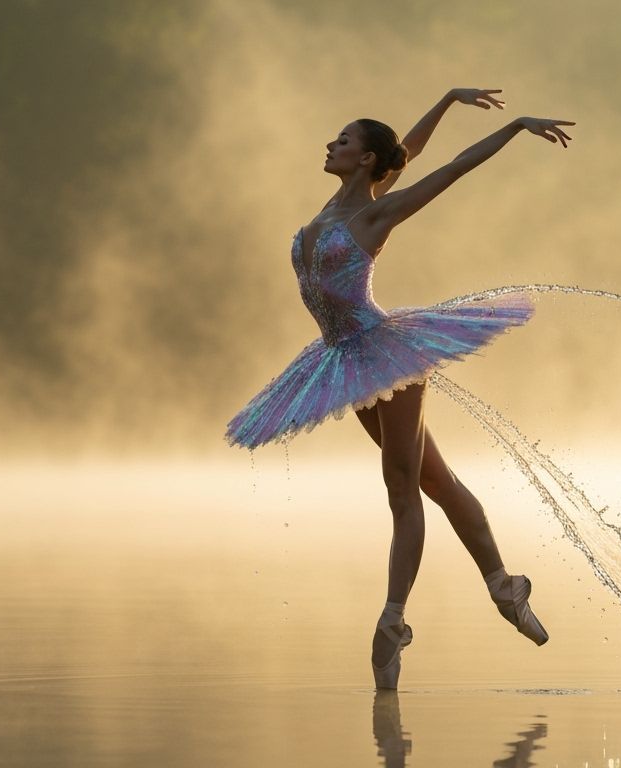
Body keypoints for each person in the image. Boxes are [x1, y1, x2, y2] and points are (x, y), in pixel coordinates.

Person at [225, 88, 574, 689]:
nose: (331, 144)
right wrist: (445, 99)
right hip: (343, 361)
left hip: (387, 355)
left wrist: (515, 126)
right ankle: (504, 585)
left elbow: (450, 170)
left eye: (343, 139)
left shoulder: (375, 215)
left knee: (401, 486)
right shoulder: (335, 210)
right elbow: (404, 150)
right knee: (434, 480)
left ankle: (392, 623)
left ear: (362, 159)